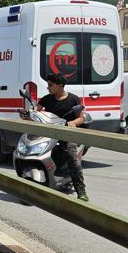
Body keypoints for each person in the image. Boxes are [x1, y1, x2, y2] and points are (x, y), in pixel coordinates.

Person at [36, 73, 88, 201]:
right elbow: (35, 111)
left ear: (60, 86)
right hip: (48, 134)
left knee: (72, 158)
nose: (48, 87)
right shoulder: (46, 99)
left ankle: (81, 190)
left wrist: (72, 123)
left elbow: (81, 117)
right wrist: (27, 113)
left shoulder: (73, 99)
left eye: (50, 85)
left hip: (66, 134)